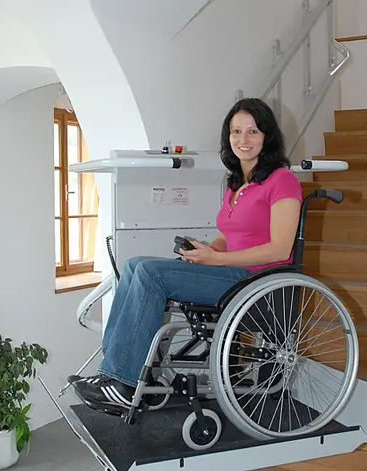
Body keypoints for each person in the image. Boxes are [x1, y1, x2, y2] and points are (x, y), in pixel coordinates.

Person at [69, 98, 302, 410]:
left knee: (151, 273)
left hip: (254, 281)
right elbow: (229, 236)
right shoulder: (237, 184)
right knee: (135, 264)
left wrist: (216, 259)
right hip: (229, 272)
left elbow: (280, 248)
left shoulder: (282, 180)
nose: (243, 140)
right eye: (236, 132)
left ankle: (124, 382)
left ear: (267, 136)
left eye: (252, 132)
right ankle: (114, 373)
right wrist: (206, 251)